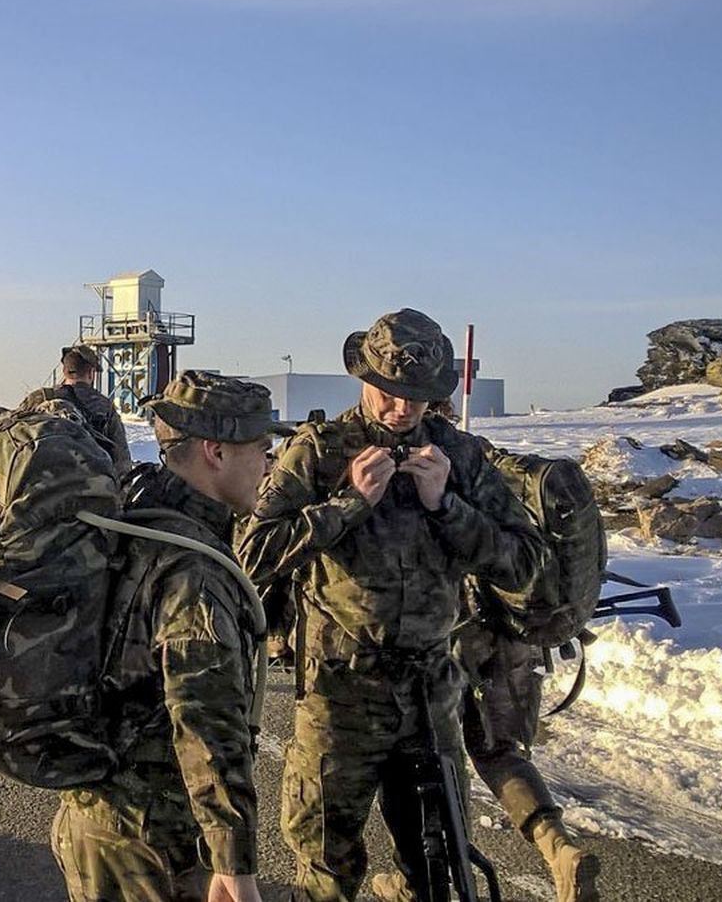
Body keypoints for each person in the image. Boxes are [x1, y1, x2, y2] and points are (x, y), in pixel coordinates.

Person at [237, 309, 547, 902]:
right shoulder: (321, 451)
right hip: (339, 697)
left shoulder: (458, 456)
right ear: (363, 379)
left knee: (434, 868)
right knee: (328, 871)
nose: (402, 409)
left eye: (419, 398)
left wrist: (446, 506)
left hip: (430, 696)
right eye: (390, 393)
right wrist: (347, 504)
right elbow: (249, 557)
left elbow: (524, 564)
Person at [53, 370, 287, 902]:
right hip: (154, 838)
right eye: (259, 448)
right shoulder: (193, 567)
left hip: (96, 815)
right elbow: (206, 718)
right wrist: (235, 864)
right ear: (216, 452)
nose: (268, 464)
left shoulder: (136, 513)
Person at [371, 406, 600, 902]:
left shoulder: (446, 464)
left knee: (427, 753)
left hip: (458, 629)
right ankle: (558, 847)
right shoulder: (505, 469)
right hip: (516, 629)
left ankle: (432, 876)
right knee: (499, 750)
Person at [20, 344, 132, 475]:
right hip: (89, 487)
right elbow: (121, 460)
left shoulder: (39, 398)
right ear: (91, 373)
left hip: (39, 487)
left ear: (64, 371)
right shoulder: (104, 406)